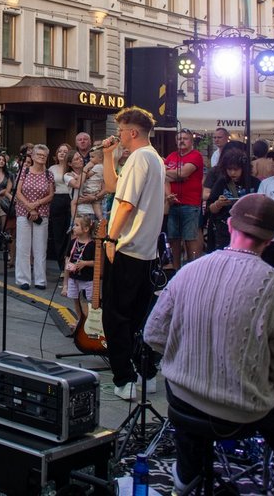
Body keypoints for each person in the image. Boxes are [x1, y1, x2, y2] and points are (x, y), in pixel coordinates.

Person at [144, 194, 274, 496]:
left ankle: (187, 473)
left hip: (183, 399)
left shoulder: (188, 271)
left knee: (185, 387)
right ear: (271, 239)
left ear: (229, 224)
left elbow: (153, 336)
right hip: (241, 407)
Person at [100, 106, 164, 400]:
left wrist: (111, 239)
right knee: (139, 316)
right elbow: (114, 187)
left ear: (133, 132)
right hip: (145, 250)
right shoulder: (152, 158)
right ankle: (146, 371)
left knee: (116, 318)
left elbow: (125, 204)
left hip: (128, 247)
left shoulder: (140, 158)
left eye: (122, 132)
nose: (119, 137)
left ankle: (124, 379)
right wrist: (107, 156)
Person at [14, 144, 55, 290]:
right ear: (32, 156)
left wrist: (36, 204)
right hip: (23, 211)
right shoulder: (23, 171)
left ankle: (40, 280)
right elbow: (18, 192)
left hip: (42, 212)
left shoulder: (49, 174)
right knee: (23, 247)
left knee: (40, 247)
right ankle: (23, 279)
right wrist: (29, 207)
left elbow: (51, 194)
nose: (41, 158)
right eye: (39, 155)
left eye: (44, 155)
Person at [165, 129, 204, 267]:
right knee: (173, 239)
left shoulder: (196, 155)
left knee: (190, 239)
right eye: (179, 138)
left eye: (185, 138)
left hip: (190, 204)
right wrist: (177, 175)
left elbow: (184, 173)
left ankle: (192, 270)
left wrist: (175, 174)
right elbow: (163, 175)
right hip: (172, 203)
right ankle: (176, 270)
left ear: (191, 141)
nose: (181, 141)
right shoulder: (171, 156)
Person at [206, 151, 260, 250]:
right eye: (229, 169)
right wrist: (218, 204)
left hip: (248, 229)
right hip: (225, 229)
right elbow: (210, 208)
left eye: (236, 169)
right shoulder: (222, 182)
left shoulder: (255, 183)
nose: (232, 173)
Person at [61, 215, 96, 319]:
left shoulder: (92, 245)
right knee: (75, 300)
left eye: (76, 225)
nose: (73, 228)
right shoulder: (72, 243)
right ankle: (80, 321)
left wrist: (85, 263)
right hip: (73, 278)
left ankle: (88, 322)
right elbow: (67, 262)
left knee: (87, 301)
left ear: (86, 229)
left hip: (87, 280)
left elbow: (97, 262)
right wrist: (65, 285)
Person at [48, 144, 73, 264]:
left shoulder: (72, 168)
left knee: (71, 233)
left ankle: (70, 261)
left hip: (71, 200)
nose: (62, 153)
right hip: (57, 200)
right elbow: (49, 188)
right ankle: (61, 265)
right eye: (60, 151)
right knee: (58, 234)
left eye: (65, 151)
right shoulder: (52, 169)